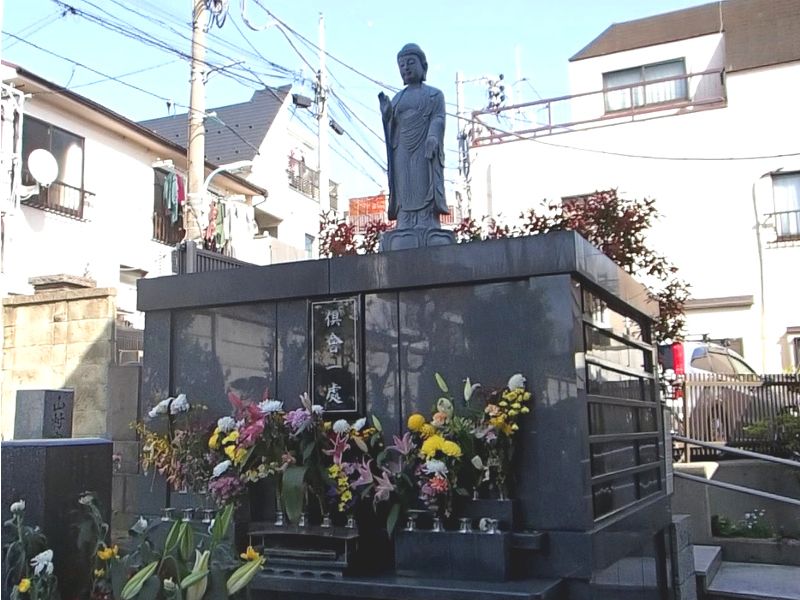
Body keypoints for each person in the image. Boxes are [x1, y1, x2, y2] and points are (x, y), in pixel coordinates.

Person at [379, 43, 449, 230]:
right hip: (402, 148)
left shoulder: (434, 95)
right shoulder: (397, 99)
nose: (406, 68)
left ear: (423, 66)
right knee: (404, 183)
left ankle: (426, 220)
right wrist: (387, 115)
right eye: (402, 65)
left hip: (423, 147)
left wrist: (433, 137)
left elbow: (438, 118)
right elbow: (391, 127)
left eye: (410, 62)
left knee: (422, 181)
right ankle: (405, 221)